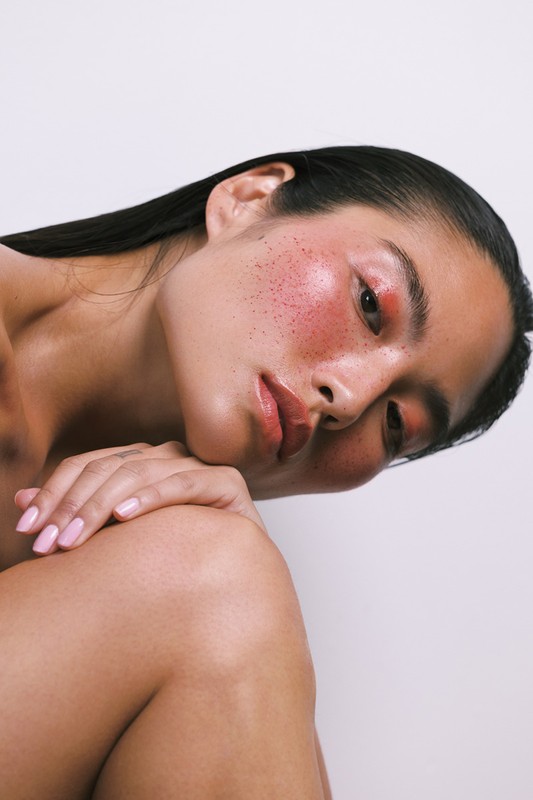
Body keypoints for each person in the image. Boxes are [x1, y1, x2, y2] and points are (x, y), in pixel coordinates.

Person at [0, 146, 531, 798]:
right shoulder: (203, 583)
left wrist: (240, 551)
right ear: (249, 200)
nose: (351, 397)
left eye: (396, 424)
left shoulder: (187, 594)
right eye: (370, 303)